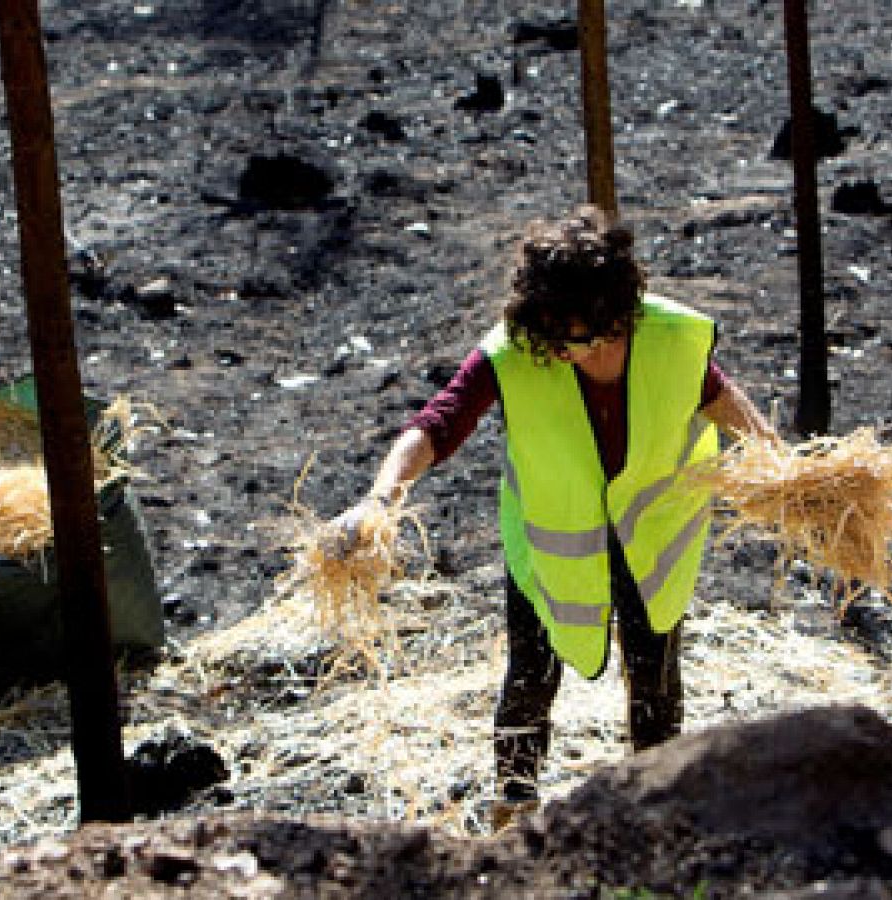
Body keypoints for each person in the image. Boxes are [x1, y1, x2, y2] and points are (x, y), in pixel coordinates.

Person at [331, 205, 778, 829]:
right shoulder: (514, 354)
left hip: (652, 536)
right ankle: (514, 804)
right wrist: (382, 497)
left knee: (654, 676)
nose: (584, 355)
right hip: (552, 543)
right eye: (566, 342)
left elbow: (723, 402)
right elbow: (437, 424)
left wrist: (786, 467)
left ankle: (656, 806)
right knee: (531, 674)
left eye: (596, 339)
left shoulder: (670, 340)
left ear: (621, 314)